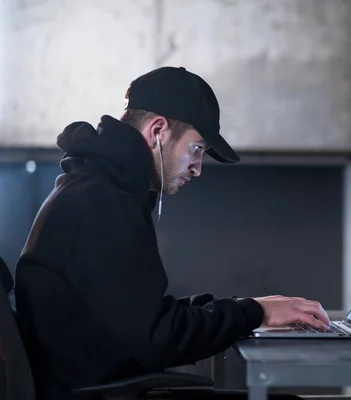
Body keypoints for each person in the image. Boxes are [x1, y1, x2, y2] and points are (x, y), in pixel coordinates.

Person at [13, 66, 330, 400]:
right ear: (158, 132)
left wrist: (246, 308)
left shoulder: (96, 189)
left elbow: (141, 316)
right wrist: (255, 312)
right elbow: (160, 338)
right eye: (196, 149)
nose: (197, 168)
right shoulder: (102, 205)